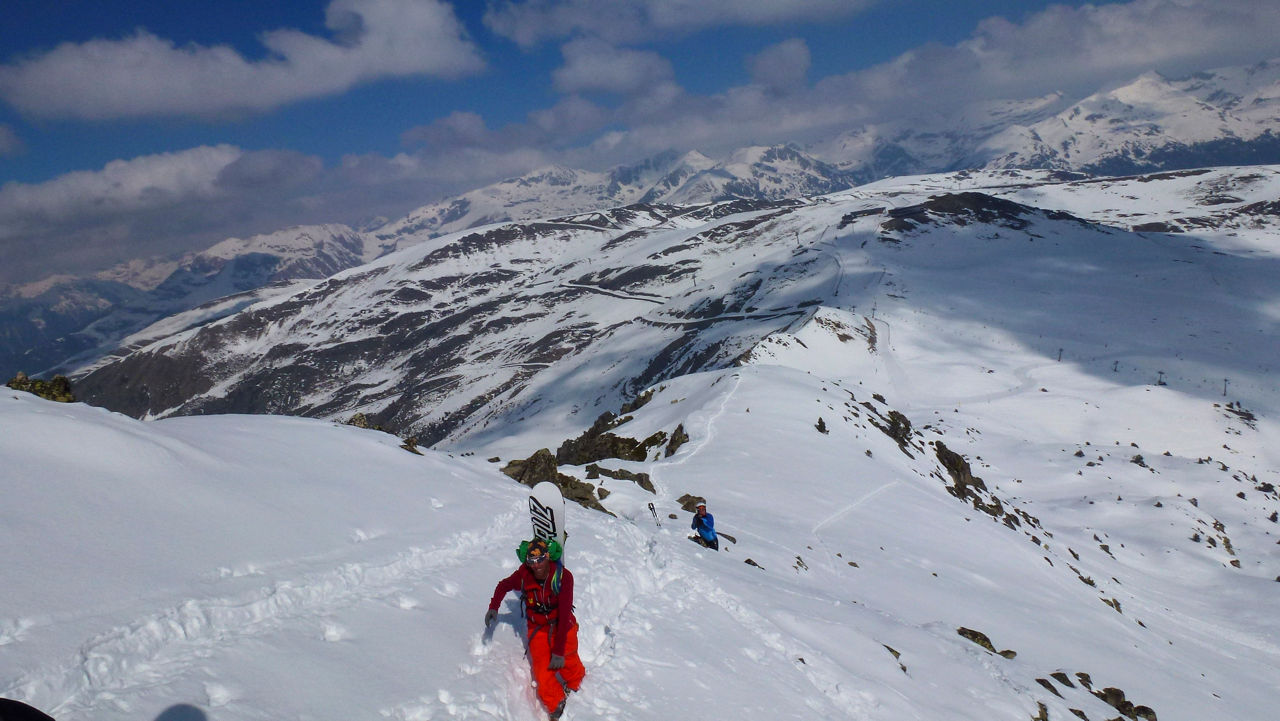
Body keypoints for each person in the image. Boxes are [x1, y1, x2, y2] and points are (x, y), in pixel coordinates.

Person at [485, 538, 586, 720]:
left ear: (549, 556)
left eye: (541, 559)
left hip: (562, 626)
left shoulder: (564, 577)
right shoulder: (524, 575)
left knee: (568, 659)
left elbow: (564, 614)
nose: (536, 565)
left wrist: (558, 651)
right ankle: (556, 704)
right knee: (542, 670)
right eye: (531, 561)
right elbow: (503, 585)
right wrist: (494, 607)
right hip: (537, 628)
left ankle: (575, 681)